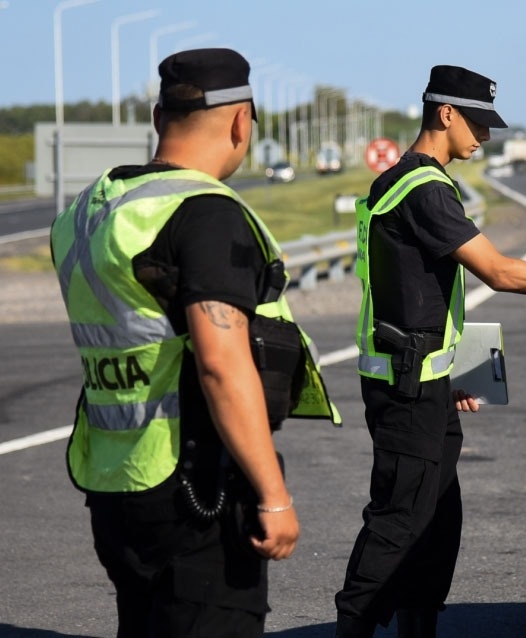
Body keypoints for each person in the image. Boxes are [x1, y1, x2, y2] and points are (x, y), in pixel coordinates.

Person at [335, 64, 526, 638]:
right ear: (445, 114)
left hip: (419, 379)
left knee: (435, 522)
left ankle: (416, 629)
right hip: (407, 387)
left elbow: (409, 293)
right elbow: (500, 273)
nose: (484, 136)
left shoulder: (404, 181)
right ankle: (352, 626)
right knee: (399, 522)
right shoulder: (424, 188)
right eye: (477, 123)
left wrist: (443, 375)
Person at [49, 48, 339, 638]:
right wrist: (274, 494)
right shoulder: (204, 212)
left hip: (113, 478)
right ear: (241, 121)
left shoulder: (88, 212)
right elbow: (220, 364)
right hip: (195, 484)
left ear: (160, 118)